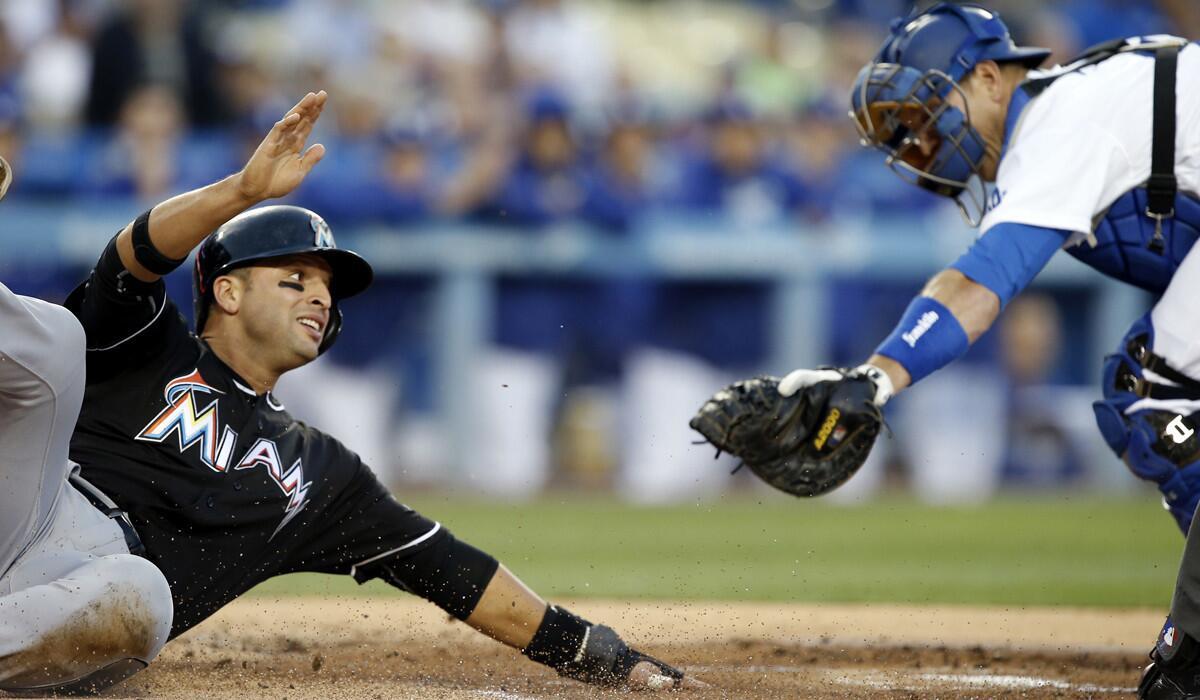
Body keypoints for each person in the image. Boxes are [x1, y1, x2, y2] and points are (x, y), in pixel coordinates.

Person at [0, 93, 701, 693]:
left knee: (140, 595)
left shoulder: (323, 475)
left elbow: (454, 569)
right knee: (59, 336)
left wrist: (605, 657)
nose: (319, 295)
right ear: (228, 290)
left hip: (84, 608)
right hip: (29, 508)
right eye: (296, 277)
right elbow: (131, 258)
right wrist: (241, 194)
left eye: (328, 287)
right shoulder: (151, 344)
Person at [735, 4, 1197, 697]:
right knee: (1156, 387)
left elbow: (982, 285)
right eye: (905, 133)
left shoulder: (1061, 117)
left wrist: (876, 379)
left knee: (1155, 392)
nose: (919, 144)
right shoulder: (1074, 101)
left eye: (923, 115)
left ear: (988, 76)